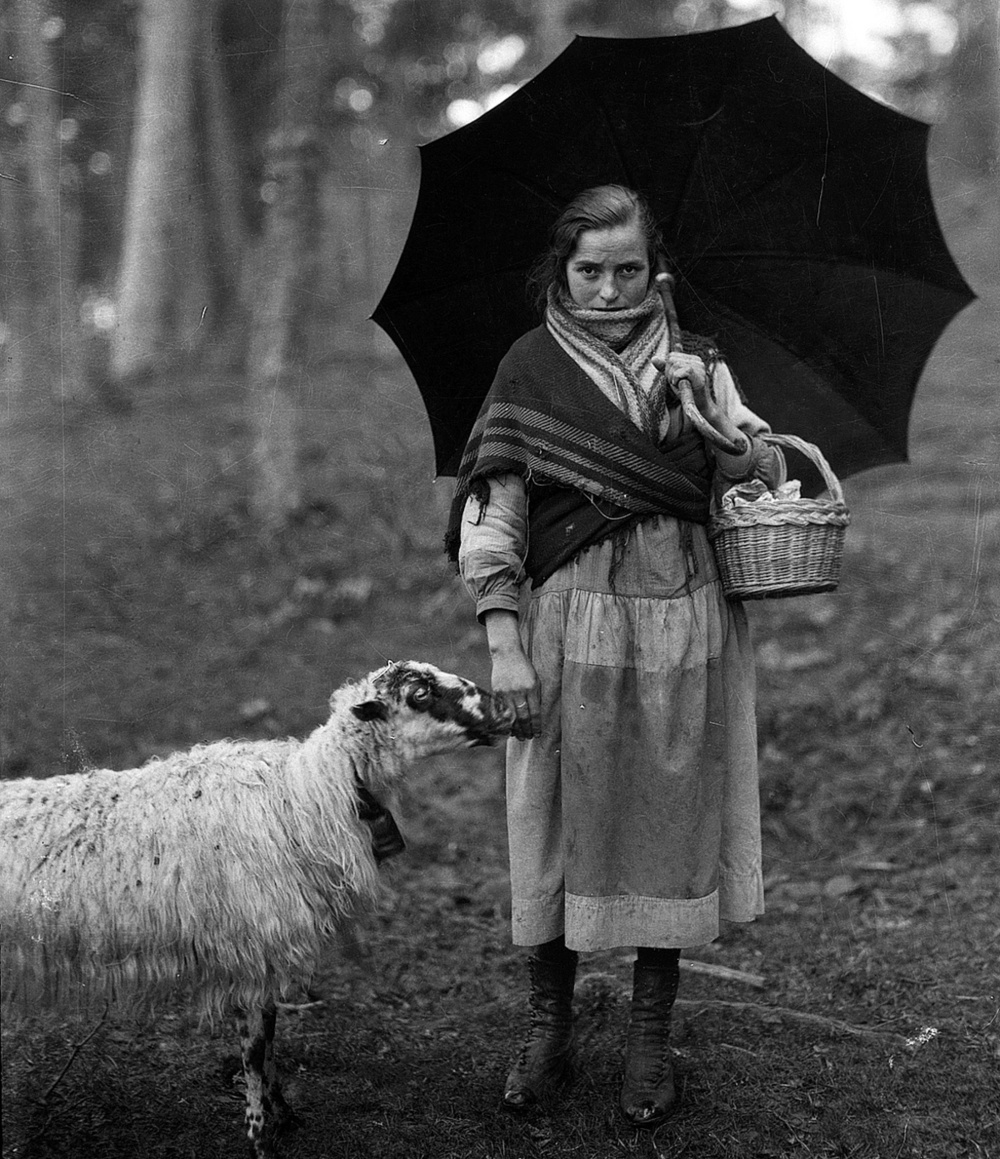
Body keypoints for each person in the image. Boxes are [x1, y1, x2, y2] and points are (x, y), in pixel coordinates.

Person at [445, 185, 785, 1127]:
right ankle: (548, 1029)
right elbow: (495, 518)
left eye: (625, 269)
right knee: (555, 814)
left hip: (683, 618)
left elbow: (756, 469)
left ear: (655, 269)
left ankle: (647, 1041)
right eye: (587, 270)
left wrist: (718, 428)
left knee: (669, 818)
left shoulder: (700, 363)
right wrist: (504, 647)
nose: (605, 288)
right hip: (567, 623)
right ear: (562, 271)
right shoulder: (528, 366)